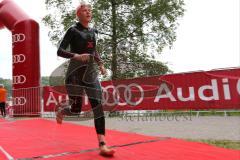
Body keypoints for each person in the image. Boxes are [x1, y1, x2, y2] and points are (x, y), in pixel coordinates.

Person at [56, 2, 115, 157]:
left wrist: (100, 64)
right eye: (84, 10)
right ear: (78, 14)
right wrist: (75, 55)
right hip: (74, 74)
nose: (88, 12)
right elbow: (60, 51)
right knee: (76, 110)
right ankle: (62, 111)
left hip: (90, 74)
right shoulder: (73, 30)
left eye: (90, 10)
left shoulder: (93, 31)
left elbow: (93, 49)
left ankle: (103, 145)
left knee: (98, 106)